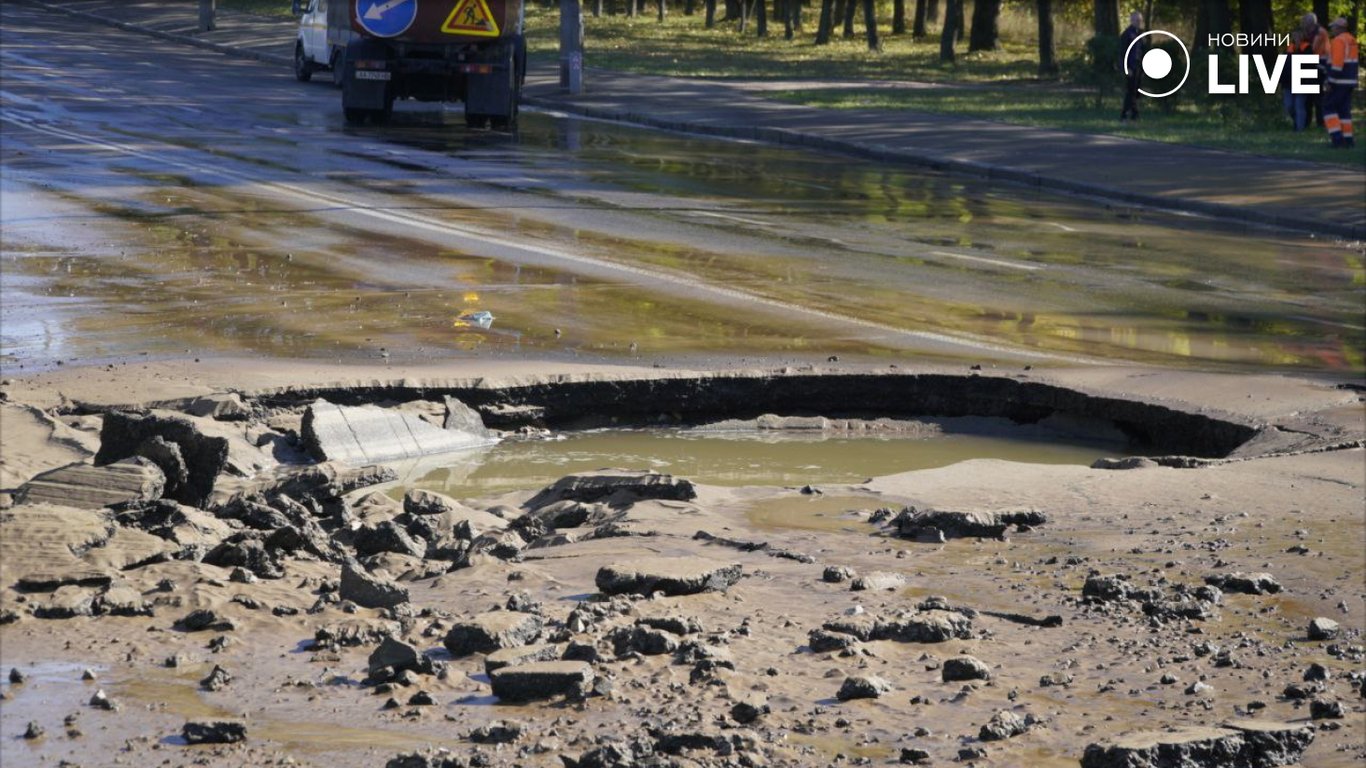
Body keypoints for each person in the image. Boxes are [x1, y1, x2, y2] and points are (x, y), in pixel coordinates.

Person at [1323, 17, 1358, 148]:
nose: (1332, 29)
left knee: (1328, 108)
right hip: (1350, 81)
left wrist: (1330, 81)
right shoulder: (1351, 40)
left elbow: (1337, 63)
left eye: (1333, 27)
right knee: (1344, 112)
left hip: (1339, 81)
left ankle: (1337, 139)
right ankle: (1348, 139)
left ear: (1339, 28)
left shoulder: (1338, 41)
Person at [1304, 12, 1331, 127]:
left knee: (1318, 96)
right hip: (1310, 65)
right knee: (1309, 97)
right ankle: (1308, 121)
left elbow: (1312, 49)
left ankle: (1321, 121)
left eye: (1305, 21)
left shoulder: (1320, 32)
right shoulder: (1308, 33)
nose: (1304, 23)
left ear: (1311, 22)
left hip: (1319, 66)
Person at [1283, 30, 1311, 131]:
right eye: (1295, 36)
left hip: (1302, 81)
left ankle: (1300, 128)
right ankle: (1297, 121)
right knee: (1289, 105)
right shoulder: (1289, 48)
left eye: (1299, 35)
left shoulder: (1308, 48)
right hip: (1288, 82)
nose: (1297, 38)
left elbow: (1309, 65)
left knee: (1299, 105)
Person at [1119, 12, 1144, 122]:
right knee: (1131, 91)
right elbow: (1122, 52)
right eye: (1136, 20)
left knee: (1135, 91)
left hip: (1138, 66)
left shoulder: (1140, 34)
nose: (1139, 22)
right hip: (1130, 66)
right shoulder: (1127, 34)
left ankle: (1133, 114)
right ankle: (1126, 115)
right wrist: (1126, 67)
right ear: (1131, 21)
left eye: (1140, 20)